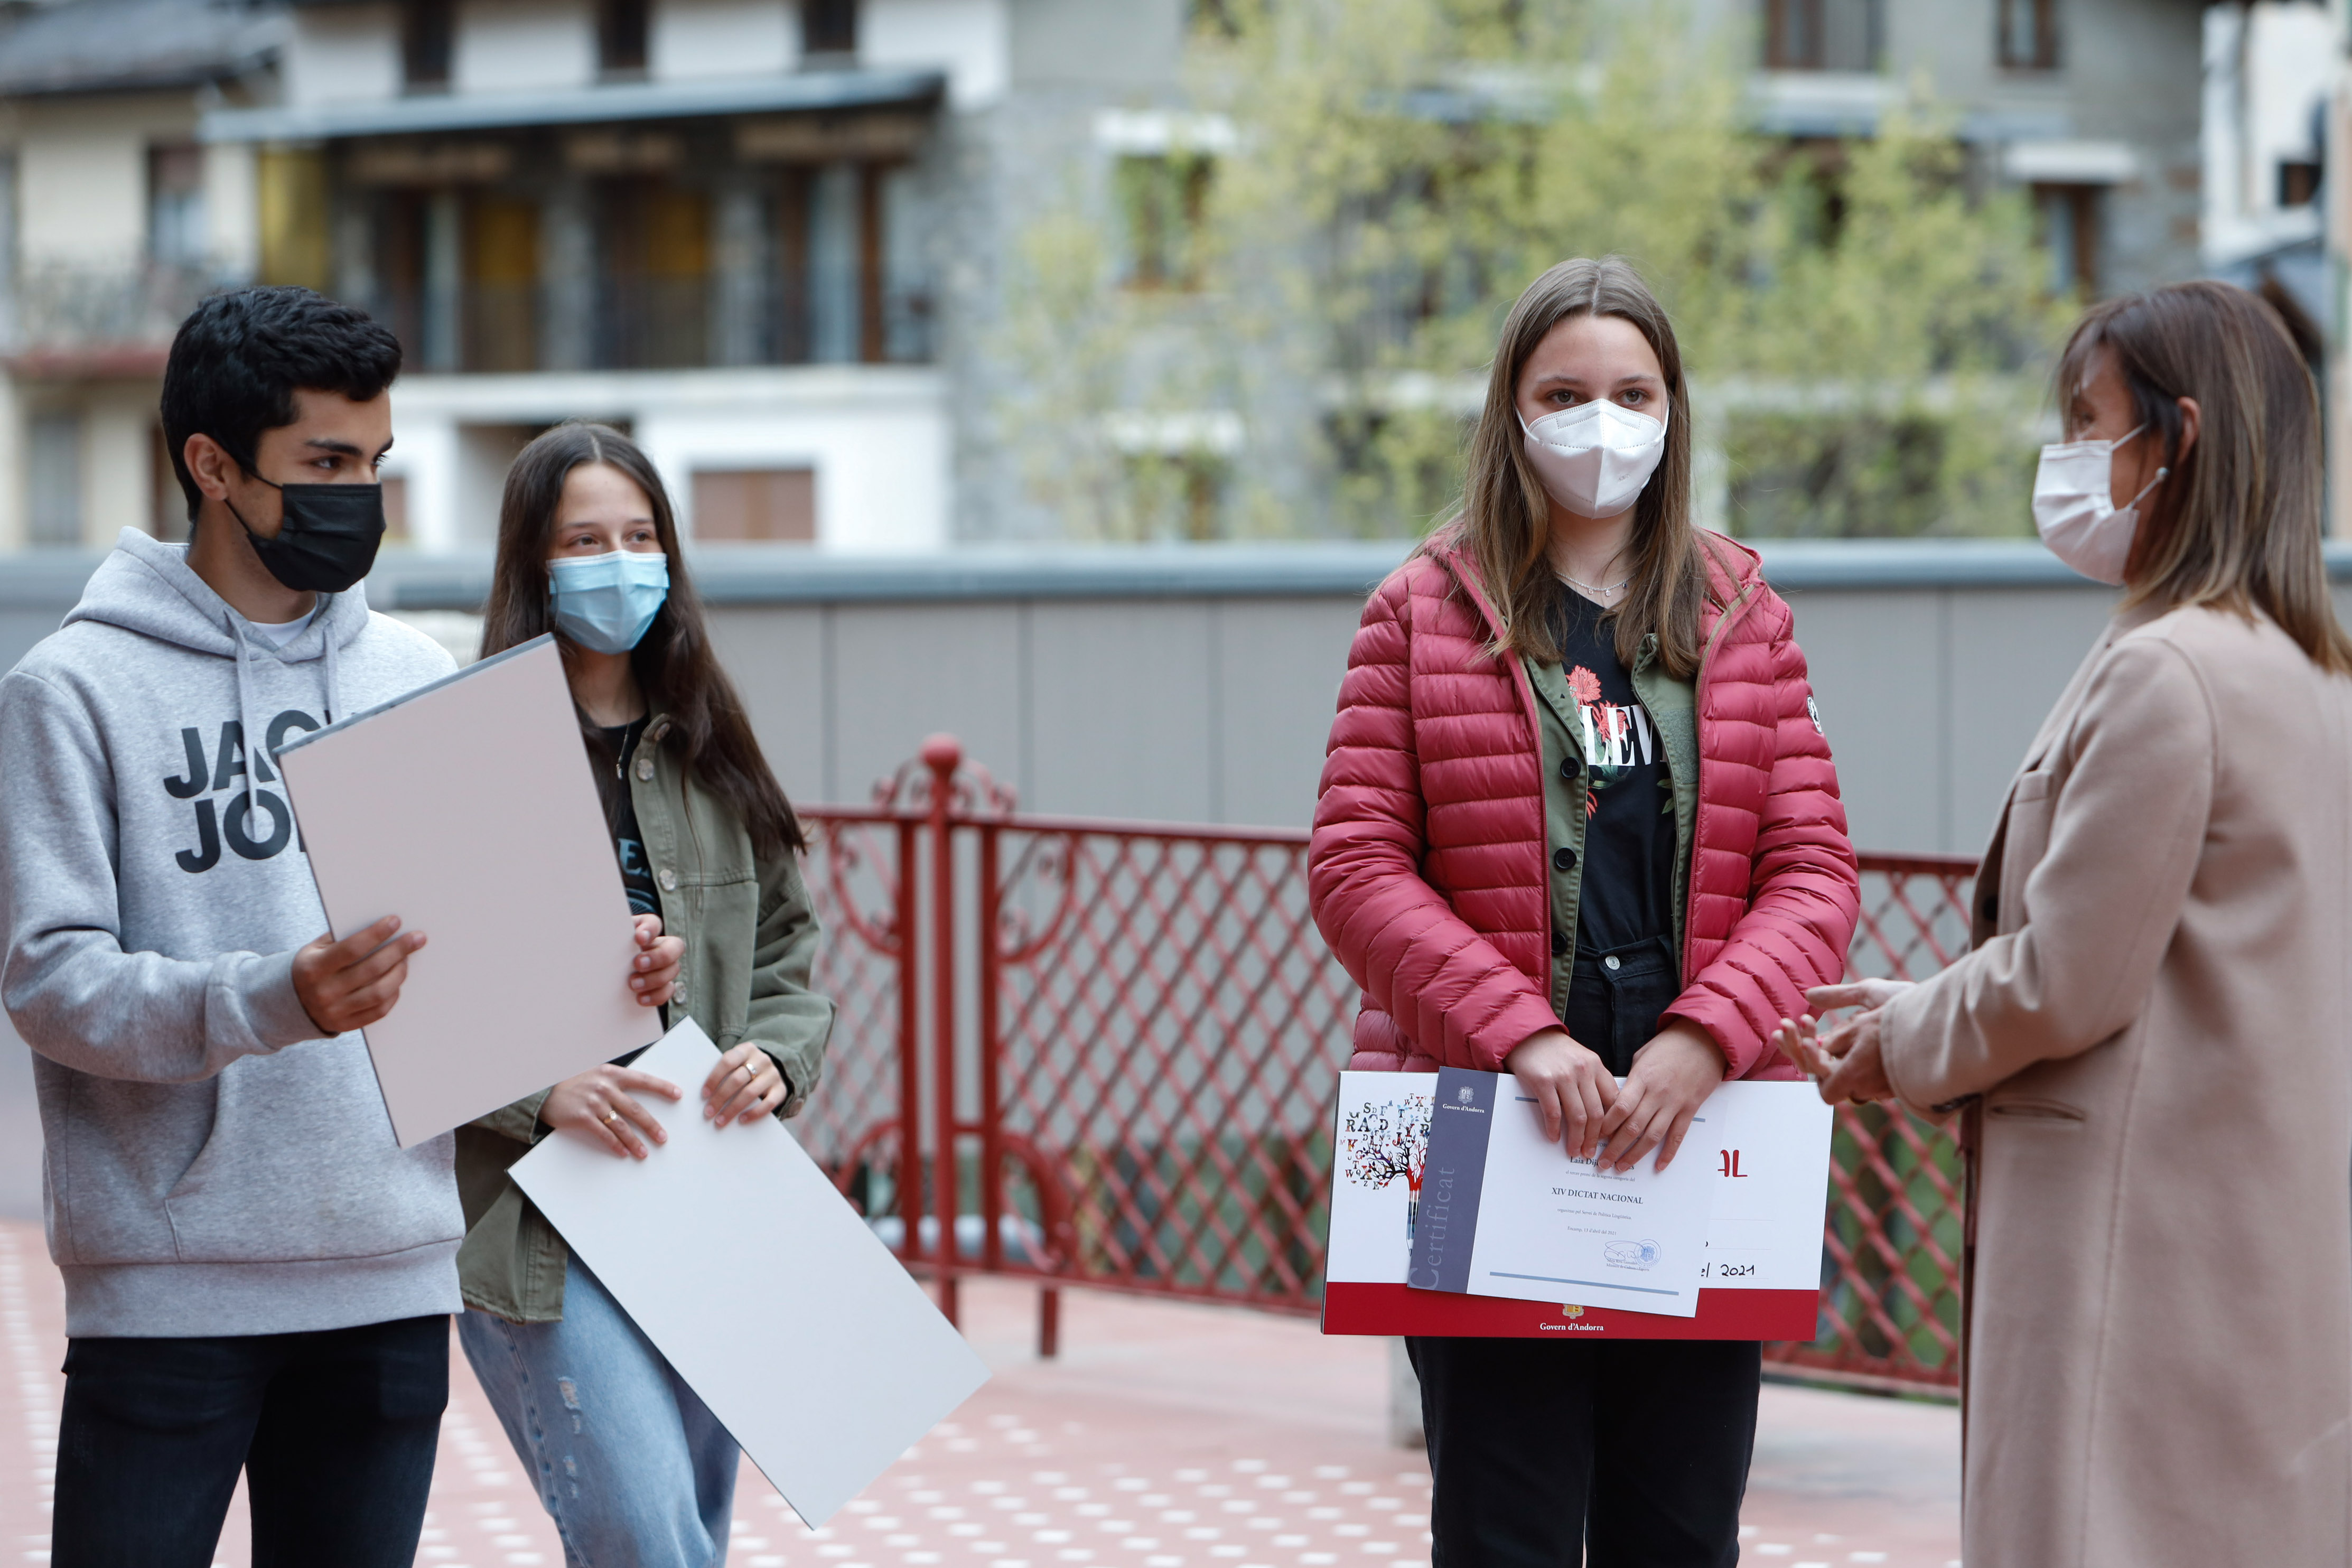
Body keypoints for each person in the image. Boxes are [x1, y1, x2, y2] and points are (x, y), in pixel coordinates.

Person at [0, 287, 682, 1567]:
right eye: (324, 463)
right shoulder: (71, 691)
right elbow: (49, 980)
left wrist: (606, 975)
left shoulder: (419, 678)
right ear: (212, 466)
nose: (357, 494)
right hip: (170, 1287)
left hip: (389, 1272)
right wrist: (275, 998)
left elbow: (485, 983)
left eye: (374, 464)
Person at [1777, 282, 2352, 1566]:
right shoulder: (2313, 669)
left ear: (2178, 439)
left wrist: (1900, 1035)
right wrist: (1923, 1010)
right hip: (2254, 1242)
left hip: (2129, 1252)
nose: (2071, 456)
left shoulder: (2167, 670)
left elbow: (2065, 977)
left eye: (2091, 421)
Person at [1309, 256, 1860, 1567]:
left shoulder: (1742, 609)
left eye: (1631, 392)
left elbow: (1816, 870)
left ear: (1673, 412)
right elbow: (1355, 865)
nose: (1598, 423)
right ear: (1511, 409)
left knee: (1680, 1530)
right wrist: (1523, 1034)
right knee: (1503, 1530)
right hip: (1491, 1119)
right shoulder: (1419, 611)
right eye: (1564, 392)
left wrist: (1709, 1033)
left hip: (1696, 1130)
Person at [455, 422, 834, 1568]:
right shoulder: (470, 747)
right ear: (533, 561)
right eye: (584, 539)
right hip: (543, 1218)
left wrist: (777, 1051)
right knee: (645, 1539)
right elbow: (413, 986)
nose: (619, 561)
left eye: (640, 534)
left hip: (707, 1193)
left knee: (694, 1537)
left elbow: (784, 938)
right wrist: (539, 1089)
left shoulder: (707, 737)